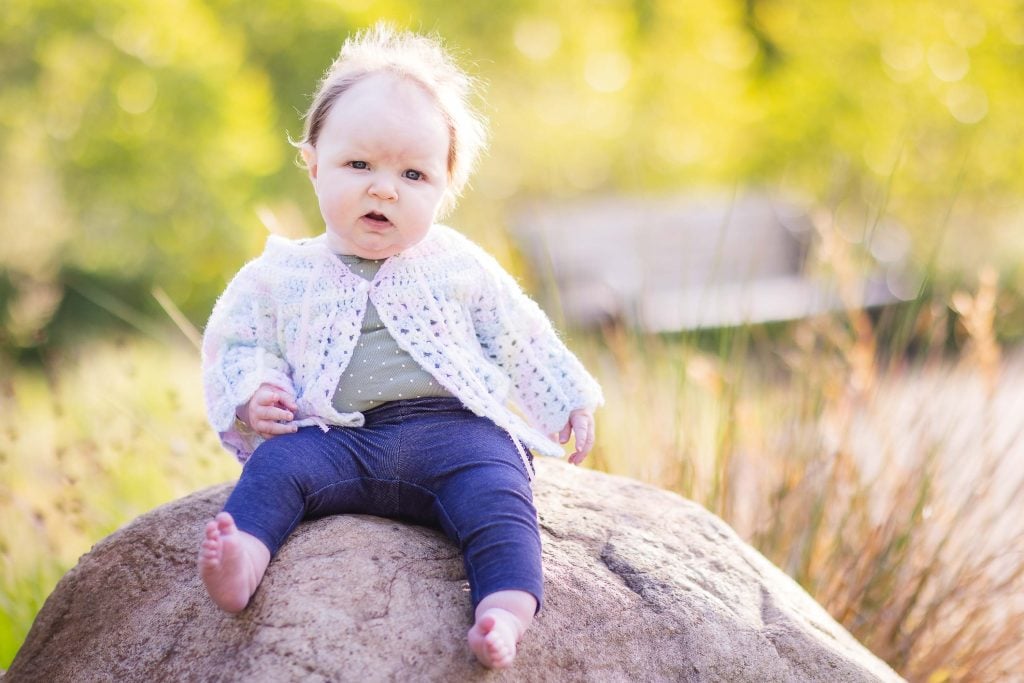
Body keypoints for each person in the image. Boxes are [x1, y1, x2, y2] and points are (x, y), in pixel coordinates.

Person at [197, 23, 603, 670]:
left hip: (453, 435)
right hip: (337, 440)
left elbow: (518, 332)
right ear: (313, 161)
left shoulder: (456, 263)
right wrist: (254, 392)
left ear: (444, 189)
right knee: (275, 469)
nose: (383, 188)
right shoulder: (280, 273)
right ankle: (243, 557)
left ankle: (503, 610)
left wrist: (567, 397)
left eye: (412, 174)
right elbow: (238, 342)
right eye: (359, 165)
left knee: (501, 495)